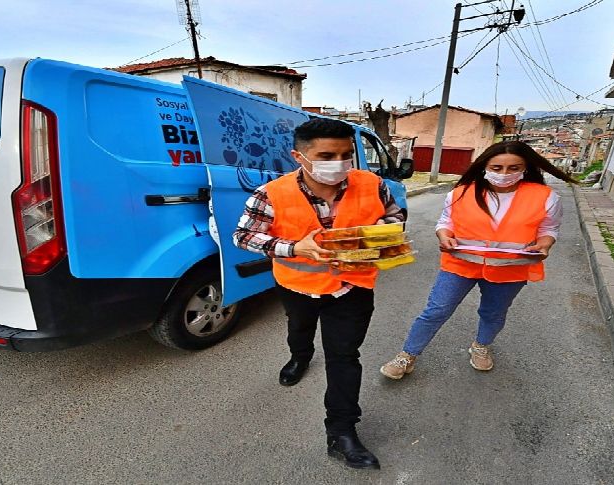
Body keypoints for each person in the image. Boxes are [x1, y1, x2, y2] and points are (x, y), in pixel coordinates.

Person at [233, 117, 405, 469]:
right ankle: (300, 356)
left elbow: (395, 215)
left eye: (346, 154)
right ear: (300, 156)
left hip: (352, 288)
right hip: (298, 286)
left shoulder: (373, 184)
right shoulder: (271, 193)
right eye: (327, 155)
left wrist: (378, 232)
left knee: (344, 356)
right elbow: (244, 237)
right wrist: (295, 247)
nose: (339, 163)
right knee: (298, 328)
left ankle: (341, 433)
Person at [380, 140, 575, 379]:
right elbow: (445, 222)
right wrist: (444, 235)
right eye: (497, 168)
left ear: (526, 168)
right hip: (461, 263)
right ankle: (407, 355)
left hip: (509, 268)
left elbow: (549, 228)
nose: (505, 174)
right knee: (436, 310)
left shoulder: (545, 197)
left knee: (493, 313)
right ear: (484, 166)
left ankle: (481, 346)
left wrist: (545, 243)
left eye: (514, 168)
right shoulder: (461, 193)